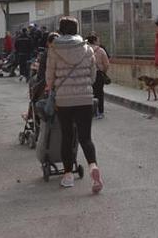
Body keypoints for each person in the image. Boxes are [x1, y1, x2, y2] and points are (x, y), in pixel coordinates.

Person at [46, 16, 103, 193]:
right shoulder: (87, 49)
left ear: (61, 30)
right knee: (86, 138)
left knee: (67, 136)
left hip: (64, 100)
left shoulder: (54, 49)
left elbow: (50, 76)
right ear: (77, 29)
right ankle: (93, 167)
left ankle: (68, 175)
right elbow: (93, 76)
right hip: (85, 99)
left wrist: (52, 88)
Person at [86, 33, 110, 120]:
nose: (99, 42)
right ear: (95, 41)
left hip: (87, 74)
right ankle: (100, 112)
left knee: (90, 93)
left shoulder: (84, 50)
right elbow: (106, 64)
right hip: (98, 74)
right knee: (99, 93)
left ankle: (91, 111)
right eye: (98, 40)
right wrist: (103, 72)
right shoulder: (101, 50)